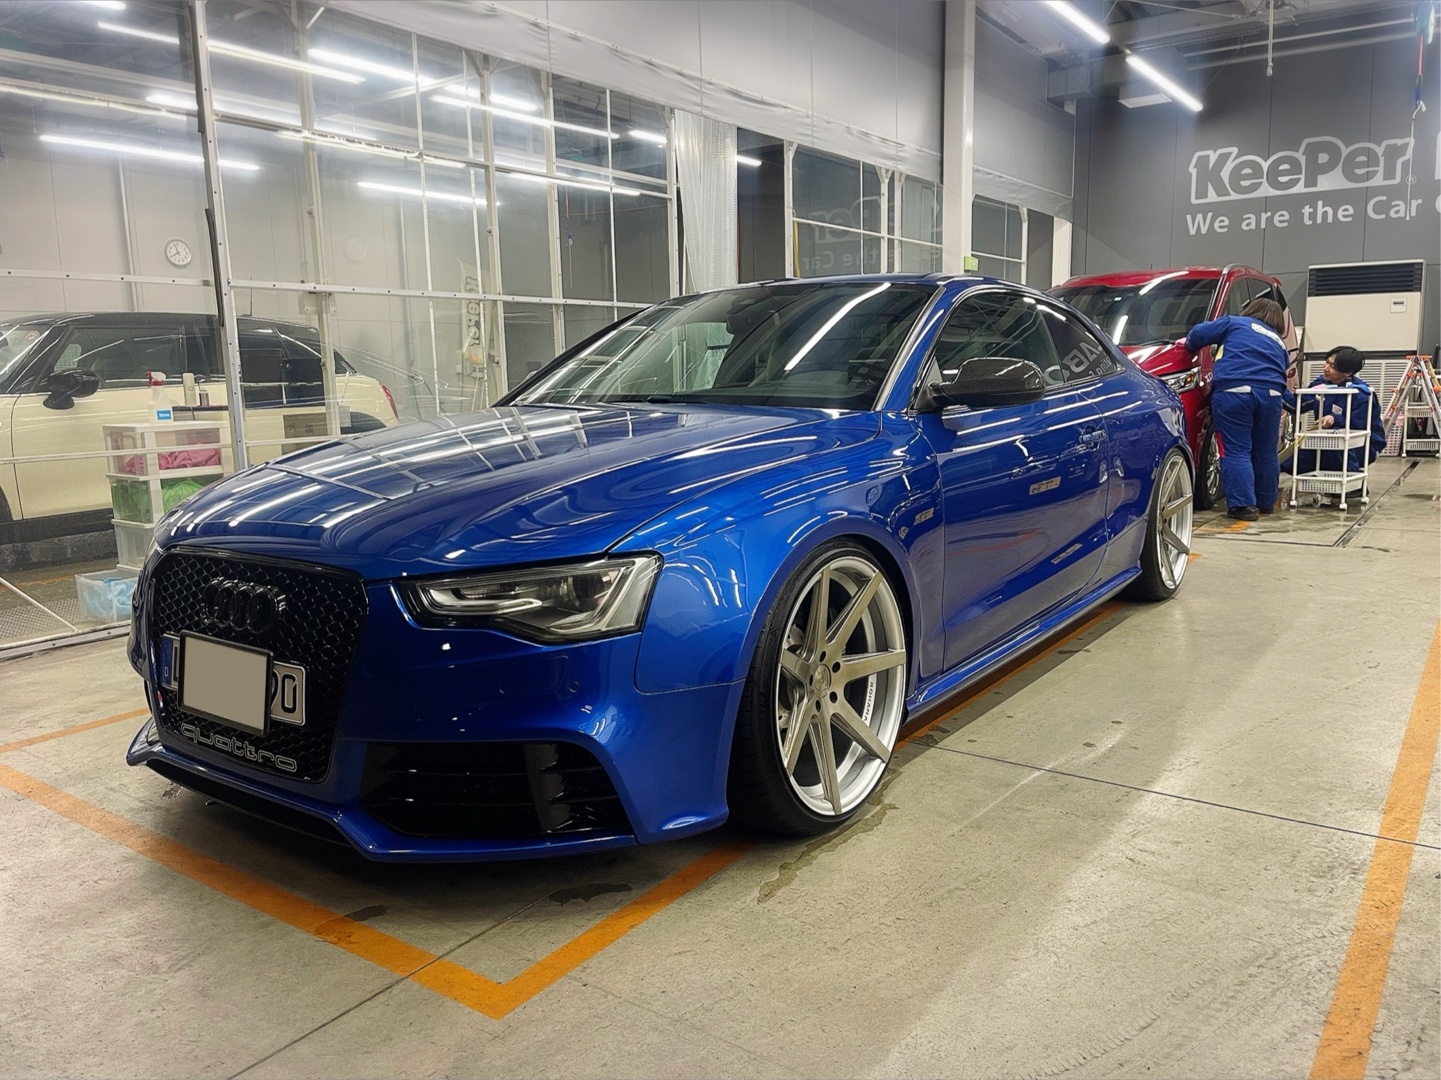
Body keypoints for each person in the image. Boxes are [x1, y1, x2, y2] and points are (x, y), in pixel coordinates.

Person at [1179, 297, 1291, 521]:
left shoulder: (1235, 322)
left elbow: (1198, 334)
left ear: (1251, 310)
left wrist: (1189, 344)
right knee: (1266, 452)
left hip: (1235, 391)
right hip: (1272, 396)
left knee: (1236, 450)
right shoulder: (1279, 342)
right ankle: (1265, 502)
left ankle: (1243, 506)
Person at [1293, 345, 1388, 476]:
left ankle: (1352, 479)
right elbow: (1298, 405)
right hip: (1326, 440)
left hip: (1363, 445)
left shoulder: (1360, 394)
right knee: (1291, 461)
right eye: (1326, 362)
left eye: (1332, 366)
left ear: (1347, 372)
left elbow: (1357, 427)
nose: (1325, 368)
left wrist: (1334, 418)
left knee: (1337, 441)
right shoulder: (1321, 384)